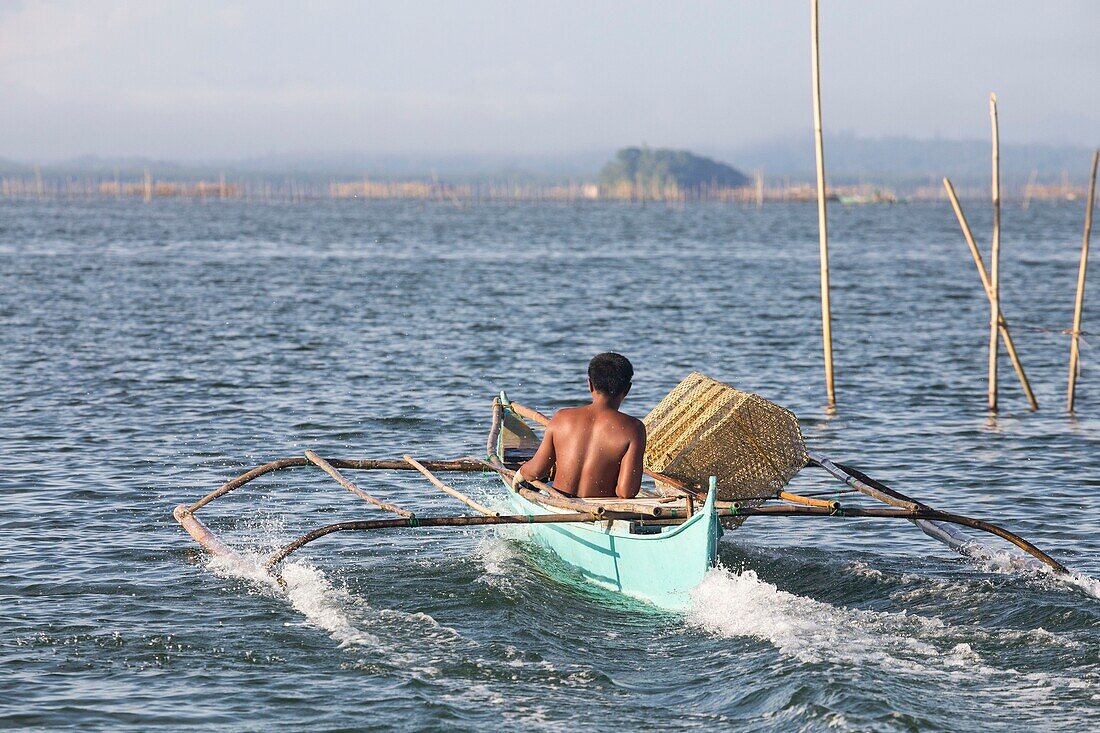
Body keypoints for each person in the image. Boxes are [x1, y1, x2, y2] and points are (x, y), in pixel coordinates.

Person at [513, 353, 646, 499]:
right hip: (600, 511)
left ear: (590, 384)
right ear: (627, 389)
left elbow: (536, 470)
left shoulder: (561, 418)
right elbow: (626, 492)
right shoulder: (634, 429)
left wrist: (520, 474)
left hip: (560, 506)